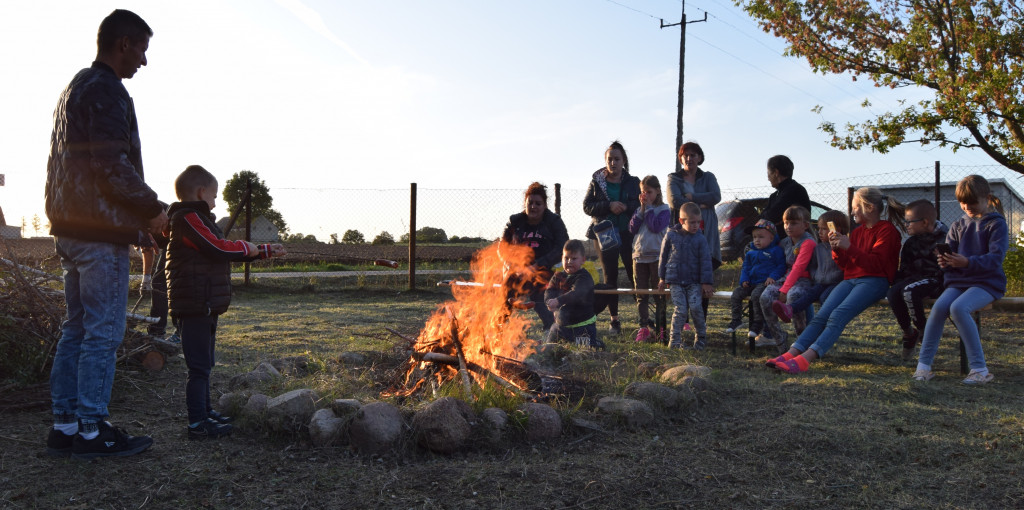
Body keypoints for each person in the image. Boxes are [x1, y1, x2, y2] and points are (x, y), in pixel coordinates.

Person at [44, 9, 167, 460]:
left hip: (70, 229)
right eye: (141, 50)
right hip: (98, 234)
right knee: (102, 333)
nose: (143, 61)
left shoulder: (74, 87)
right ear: (123, 45)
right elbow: (112, 165)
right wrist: (154, 210)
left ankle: (65, 426)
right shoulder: (106, 91)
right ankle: (93, 432)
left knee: (75, 329)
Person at [166, 165, 286, 439]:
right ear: (201, 191)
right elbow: (217, 247)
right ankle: (197, 423)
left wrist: (264, 251)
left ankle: (206, 412)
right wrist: (247, 246)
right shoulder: (188, 218)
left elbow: (218, 251)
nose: (216, 201)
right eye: (215, 195)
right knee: (198, 366)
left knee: (205, 363)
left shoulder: (197, 218)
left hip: (205, 303)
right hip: (194, 304)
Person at [769, 187, 905, 374]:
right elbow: (846, 265)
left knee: (837, 315)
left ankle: (805, 359)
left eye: (855, 207)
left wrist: (848, 247)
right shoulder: (857, 233)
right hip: (851, 279)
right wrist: (837, 250)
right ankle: (790, 354)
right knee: (822, 315)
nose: (852, 211)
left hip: (874, 281)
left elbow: (876, 265)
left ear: (870, 208)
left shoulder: (887, 231)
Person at [914, 175, 1008, 385]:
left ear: (987, 198)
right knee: (939, 308)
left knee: (958, 308)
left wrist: (966, 262)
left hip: (987, 282)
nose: (967, 207)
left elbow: (995, 259)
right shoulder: (957, 225)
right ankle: (923, 366)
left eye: (972, 203)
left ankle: (980, 369)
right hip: (959, 281)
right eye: (962, 203)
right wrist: (945, 261)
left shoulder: (996, 225)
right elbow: (952, 256)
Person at [583, 140, 641, 336]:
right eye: (610, 159)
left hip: (629, 233)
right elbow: (587, 206)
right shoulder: (596, 182)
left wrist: (625, 206)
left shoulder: (634, 182)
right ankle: (614, 320)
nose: (613, 163)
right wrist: (608, 206)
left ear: (624, 160)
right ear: (605, 161)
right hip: (605, 234)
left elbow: (640, 203)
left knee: (635, 274)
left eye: (617, 159)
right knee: (610, 277)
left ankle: (643, 320)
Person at [500, 182, 569, 332]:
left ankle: (551, 329)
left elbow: (561, 248)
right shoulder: (514, 221)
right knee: (507, 283)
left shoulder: (554, 222)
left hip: (546, 271)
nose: (533, 207)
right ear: (524, 203)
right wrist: (512, 265)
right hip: (519, 271)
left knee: (542, 292)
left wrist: (536, 266)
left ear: (544, 205)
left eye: (538, 203)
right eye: (530, 203)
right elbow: (502, 247)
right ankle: (499, 325)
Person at [666, 141, 722, 326]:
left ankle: (701, 322)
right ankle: (685, 322)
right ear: (680, 158)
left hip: (708, 232)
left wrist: (692, 198)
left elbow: (716, 196)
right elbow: (675, 202)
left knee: (704, 275)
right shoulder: (674, 178)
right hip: (683, 236)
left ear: (700, 157)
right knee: (686, 274)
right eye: (685, 155)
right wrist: (702, 204)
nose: (689, 158)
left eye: (693, 155)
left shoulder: (709, 177)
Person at [887, 200, 947, 360]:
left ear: (925, 222)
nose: (906, 225)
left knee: (909, 292)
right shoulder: (910, 242)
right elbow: (905, 269)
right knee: (893, 292)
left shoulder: (945, 239)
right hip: (915, 280)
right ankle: (909, 333)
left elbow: (946, 269)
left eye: (909, 222)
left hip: (936, 281)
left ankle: (924, 332)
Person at [772, 210, 847, 335]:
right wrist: (815, 276)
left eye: (824, 229)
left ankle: (823, 327)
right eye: (819, 228)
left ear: (835, 229)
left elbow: (845, 266)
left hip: (836, 283)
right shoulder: (819, 248)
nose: (819, 232)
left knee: (823, 297)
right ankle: (790, 309)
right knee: (810, 294)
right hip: (821, 282)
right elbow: (813, 266)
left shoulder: (843, 246)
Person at [758, 206, 817, 350]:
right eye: (786, 223)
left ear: (805, 225)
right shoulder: (785, 242)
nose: (788, 226)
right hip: (785, 279)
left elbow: (798, 268)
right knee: (765, 296)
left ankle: (802, 342)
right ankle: (779, 339)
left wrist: (784, 291)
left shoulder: (808, 242)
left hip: (803, 281)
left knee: (794, 296)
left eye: (794, 223)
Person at [658, 202, 714, 349]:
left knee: (696, 307)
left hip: (694, 281)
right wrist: (662, 277)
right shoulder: (670, 236)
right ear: (682, 221)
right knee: (680, 310)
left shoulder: (700, 239)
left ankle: (701, 339)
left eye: (698, 222)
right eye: (692, 222)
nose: (696, 225)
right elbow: (663, 257)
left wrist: (706, 282)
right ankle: (674, 341)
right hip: (675, 281)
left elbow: (706, 260)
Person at [724, 219, 785, 341]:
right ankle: (736, 320)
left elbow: (781, 266)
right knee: (736, 294)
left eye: (761, 237)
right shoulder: (751, 252)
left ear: (772, 238)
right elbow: (746, 267)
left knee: (756, 295)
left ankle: (757, 323)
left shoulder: (776, 251)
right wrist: (744, 279)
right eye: (754, 237)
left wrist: (772, 276)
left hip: (764, 283)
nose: (757, 240)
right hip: (750, 282)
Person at [628, 175, 671, 343]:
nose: (645, 195)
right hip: (639, 257)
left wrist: (650, 208)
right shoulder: (641, 208)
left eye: (649, 192)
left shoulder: (664, 210)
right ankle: (643, 327)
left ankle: (661, 328)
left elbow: (655, 226)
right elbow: (632, 228)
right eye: (642, 192)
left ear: (658, 191)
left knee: (658, 294)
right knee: (641, 294)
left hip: (656, 257)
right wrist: (642, 210)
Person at [545, 240, 604, 349]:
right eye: (566, 258)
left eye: (574, 259)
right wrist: (549, 301)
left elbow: (576, 294)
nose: (569, 261)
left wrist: (558, 301)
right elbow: (549, 291)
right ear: (562, 258)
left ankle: (597, 343)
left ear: (583, 260)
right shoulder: (557, 276)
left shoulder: (584, 277)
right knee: (549, 348)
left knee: (584, 352)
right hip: (560, 326)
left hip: (582, 326)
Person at [760, 155, 810, 230]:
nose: (768, 178)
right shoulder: (774, 195)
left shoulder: (794, 190)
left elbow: (773, 216)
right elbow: (764, 218)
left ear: (776, 172)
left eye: (769, 173)